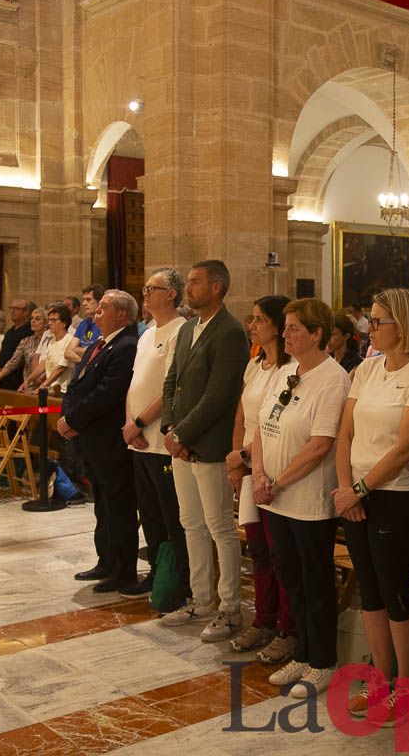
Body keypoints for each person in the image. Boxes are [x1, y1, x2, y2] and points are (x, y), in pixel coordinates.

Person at [332, 287, 409, 722]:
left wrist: (358, 489)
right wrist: (346, 489)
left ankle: (407, 687)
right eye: (370, 320)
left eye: (378, 321)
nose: (369, 328)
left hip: (396, 497)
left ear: (403, 325)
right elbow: (345, 436)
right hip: (356, 494)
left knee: (395, 594)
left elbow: (404, 447)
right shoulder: (366, 370)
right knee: (370, 593)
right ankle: (380, 678)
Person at [253, 298, 352, 698]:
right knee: (289, 574)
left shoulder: (334, 379)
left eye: (294, 328)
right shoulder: (285, 371)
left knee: (315, 581)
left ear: (317, 334)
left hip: (307, 499)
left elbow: (320, 444)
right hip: (273, 494)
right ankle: (303, 650)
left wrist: (277, 481)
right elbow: (262, 425)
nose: (286, 334)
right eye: (286, 327)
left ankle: (323, 660)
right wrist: (259, 473)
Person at [159, 260, 250, 642]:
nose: (188, 288)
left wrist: (183, 433)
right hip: (182, 443)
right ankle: (200, 598)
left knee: (220, 528)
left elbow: (219, 395)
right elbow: (172, 381)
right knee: (191, 523)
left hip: (210, 444)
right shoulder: (187, 329)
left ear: (217, 287)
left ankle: (229, 607)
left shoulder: (229, 332)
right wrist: (168, 426)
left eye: (195, 282)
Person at [225, 295, 297, 661]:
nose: (251, 326)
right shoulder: (255, 365)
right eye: (251, 319)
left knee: (279, 551)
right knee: (257, 548)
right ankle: (264, 619)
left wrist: (248, 457)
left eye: (258, 319)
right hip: (249, 464)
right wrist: (238, 459)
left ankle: (288, 626)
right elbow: (241, 415)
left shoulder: (292, 369)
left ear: (277, 324)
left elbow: (276, 424)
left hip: (274, 469)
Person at [62, 290, 140, 592]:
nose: (97, 313)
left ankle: (124, 570)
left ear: (122, 315)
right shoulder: (101, 343)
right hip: (91, 439)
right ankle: (106, 561)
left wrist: (72, 419)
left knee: (118, 508)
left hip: (110, 441)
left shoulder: (126, 346)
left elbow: (107, 394)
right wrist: (69, 415)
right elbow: (78, 384)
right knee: (102, 507)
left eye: (104, 308)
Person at [122, 268, 190, 610]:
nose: (145, 293)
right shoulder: (147, 332)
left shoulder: (181, 331)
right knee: (147, 512)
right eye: (145, 287)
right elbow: (135, 383)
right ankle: (156, 571)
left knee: (169, 514)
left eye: (153, 288)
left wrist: (138, 422)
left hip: (162, 441)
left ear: (172, 294)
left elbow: (170, 388)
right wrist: (127, 424)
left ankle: (178, 580)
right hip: (138, 439)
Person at [0, 307, 46, 390]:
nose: (33, 321)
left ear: (46, 323)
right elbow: (13, 361)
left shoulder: (51, 341)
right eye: (32, 318)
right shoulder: (26, 341)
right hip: (28, 386)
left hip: (45, 384)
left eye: (38, 319)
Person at [25, 305, 77, 394]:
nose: (50, 323)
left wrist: (42, 386)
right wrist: (28, 381)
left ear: (64, 323)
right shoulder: (52, 340)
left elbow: (60, 368)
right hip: (50, 390)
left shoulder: (70, 340)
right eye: (49, 320)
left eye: (54, 320)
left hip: (62, 391)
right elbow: (44, 363)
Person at [0, 299, 35, 390]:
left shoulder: (29, 331)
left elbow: (22, 357)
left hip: (16, 377)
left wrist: (6, 370)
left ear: (26, 312)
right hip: (2, 375)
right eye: (11, 308)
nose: (12, 311)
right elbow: (3, 350)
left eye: (16, 308)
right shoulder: (10, 331)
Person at [66, 284, 104, 363]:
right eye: (83, 299)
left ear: (100, 302)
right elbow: (68, 353)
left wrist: (77, 350)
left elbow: (97, 353)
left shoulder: (104, 324)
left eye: (88, 299)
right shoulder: (83, 324)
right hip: (81, 372)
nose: (84, 303)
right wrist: (87, 362)